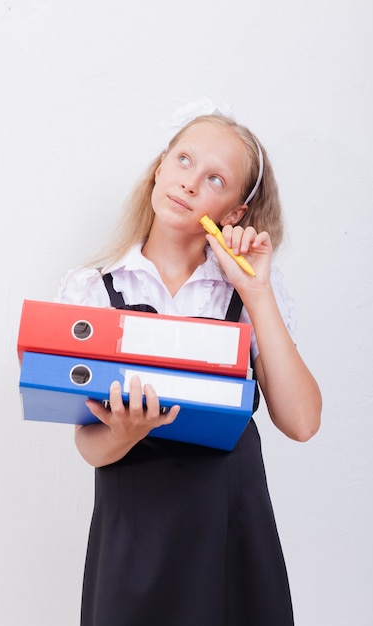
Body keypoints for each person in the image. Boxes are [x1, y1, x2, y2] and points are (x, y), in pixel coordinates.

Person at [57, 101, 322, 626]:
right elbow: (88, 446)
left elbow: (302, 421)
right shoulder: (92, 290)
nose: (189, 182)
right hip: (134, 538)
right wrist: (126, 431)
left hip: (231, 533)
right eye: (183, 160)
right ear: (160, 167)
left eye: (215, 178)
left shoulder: (250, 294)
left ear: (234, 214)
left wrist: (256, 289)